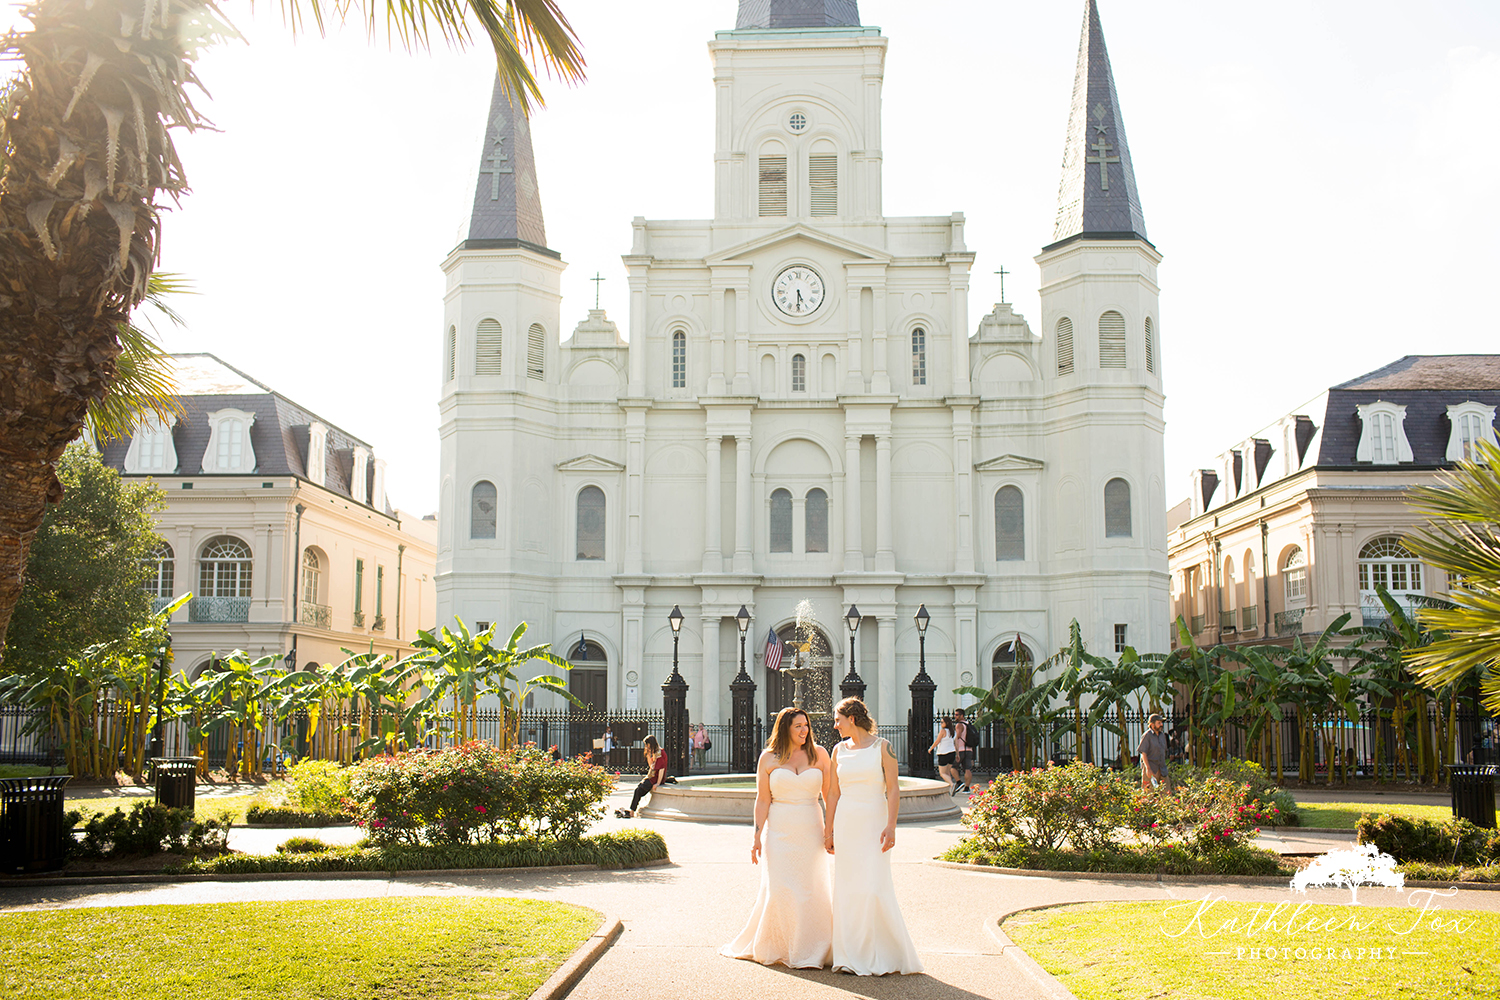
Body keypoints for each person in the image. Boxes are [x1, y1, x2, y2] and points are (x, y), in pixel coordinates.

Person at [721, 707, 833, 969]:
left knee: (809, 888)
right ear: (785, 729)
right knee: (780, 888)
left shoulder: (820, 754)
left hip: (811, 828)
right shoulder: (768, 758)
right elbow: (762, 800)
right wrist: (756, 836)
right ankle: (782, 946)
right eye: (798, 726)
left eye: (806, 725)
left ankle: (810, 947)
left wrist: (831, 831)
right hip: (779, 831)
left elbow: (829, 796)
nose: (804, 730)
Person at [825, 696, 923, 976]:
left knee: (873, 884)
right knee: (847, 886)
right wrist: (828, 829)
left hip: (874, 822)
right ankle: (848, 954)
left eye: (838, 720)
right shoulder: (838, 750)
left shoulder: (883, 747)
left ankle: (880, 952)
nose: (835, 726)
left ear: (852, 719)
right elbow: (833, 792)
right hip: (847, 822)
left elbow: (893, 789)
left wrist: (891, 825)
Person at [617, 734, 667, 818]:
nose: (646, 747)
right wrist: (648, 755)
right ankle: (632, 810)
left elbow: (661, 769)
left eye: (647, 745)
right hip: (651, 776)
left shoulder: (660, 753)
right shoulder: (655, 752)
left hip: (655, 778)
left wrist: (658, 783)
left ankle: (632, 811)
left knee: (638, 790)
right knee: (638, 790)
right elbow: (651, 766)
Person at [1137, 713, 1169, 790]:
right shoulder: (1147, 735)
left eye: (1161, 723)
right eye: (1159, 723)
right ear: (1152, 724)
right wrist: (1148, 769)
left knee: (1166, 793)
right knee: (1149, 793)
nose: (1161, 725)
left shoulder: (1162, 736)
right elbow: (1143, 753)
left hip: (1162, 769)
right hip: (1151, 769)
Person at [929, 716, 957, 793]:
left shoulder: (943, 731)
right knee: (947, 772)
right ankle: (950, 789)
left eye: (942, 722)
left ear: (946, 723)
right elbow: (955, 742)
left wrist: (931, 748)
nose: (941, 724)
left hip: (944, 753)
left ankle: (952, 784)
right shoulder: (953, 731)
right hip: (952, 752)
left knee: (942, 773)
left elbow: (937, 741)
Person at [953, 707, 976, 793]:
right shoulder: (968, 724)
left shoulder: (959, 725)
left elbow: (958, 736)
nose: (955, 716)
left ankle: (959, 782)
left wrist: (955, 748)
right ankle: (967, 788)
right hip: (969, 749)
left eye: (957, 715)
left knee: (952, 767)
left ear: (961, 715)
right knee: (967, 769)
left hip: (961, 749)